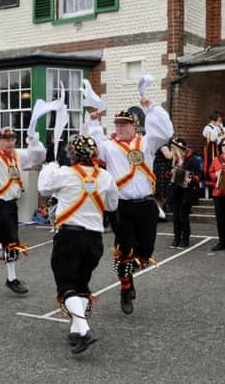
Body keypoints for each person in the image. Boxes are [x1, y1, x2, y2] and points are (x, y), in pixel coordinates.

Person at [87, 74, 174, 315]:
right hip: (121, 207)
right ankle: (126, 288)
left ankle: (130, 274)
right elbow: (93, 148)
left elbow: (165, 132)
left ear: (134, 126)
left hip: (146, 204)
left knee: (146, 250)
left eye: (124, 125)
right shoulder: (108, 146)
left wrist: (150, 106)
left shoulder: (146, 143)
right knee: (124, 249)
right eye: (117, 125)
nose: (120, 128)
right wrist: (94, 123)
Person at [38, 135, 118, 354]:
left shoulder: (64, 174)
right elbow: (112, 205)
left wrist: (49, 166)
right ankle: (75, 331)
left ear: (71, 154)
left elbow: (43, 188)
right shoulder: (106, 177)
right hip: (94, 240)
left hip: (70, 237)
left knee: (66, 285)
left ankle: (84, 330)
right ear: (94, 155)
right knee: (81, 285)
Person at [0, 127, 46, 296]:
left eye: (12, 138)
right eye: (6, 139)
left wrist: (33, 140)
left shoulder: (18, 155)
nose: (10, 142)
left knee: (6, 238)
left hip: (11, 202)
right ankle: (12, 279)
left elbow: (38, 158)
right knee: (12, 239)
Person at [167, 138, 202, 248]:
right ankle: (176, 238)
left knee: (183, 216)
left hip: (187, 192)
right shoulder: (175, 160)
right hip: (176, 191)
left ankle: (185, 239)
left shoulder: (192, 160)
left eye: (174, 149)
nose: (172, 151)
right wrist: (170, 172)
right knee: (176, 216)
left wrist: (191, 179)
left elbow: (200, 175)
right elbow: (168, 175)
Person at [202, 111, 225, 189]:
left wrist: (221, 132)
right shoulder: (208, 127)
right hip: (210, 148)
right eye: (219, 120)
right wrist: (219, 133)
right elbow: (211, 139)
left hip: (217, 147)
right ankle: (210, 177)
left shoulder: (218, 127)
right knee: (211, 162)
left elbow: (221, 136)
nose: (220, 122)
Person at [153, 141, 173, 220]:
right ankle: (158, 214)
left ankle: (159, 214)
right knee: (161, 195)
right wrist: (174, 150)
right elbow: (168, 156)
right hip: (161, 172)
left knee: (162, 195)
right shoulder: (163, 146)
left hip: (162, 171)